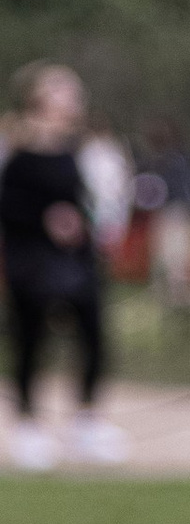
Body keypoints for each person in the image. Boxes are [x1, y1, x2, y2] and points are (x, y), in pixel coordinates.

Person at [4, 63, 128, 471]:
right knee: (31, 339)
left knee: (92, 335)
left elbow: (105, 203)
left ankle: (87, 421)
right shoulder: (13, 147)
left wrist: (85, 225)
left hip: (76, 260)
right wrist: (41, 219)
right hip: (29, 259)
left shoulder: (89, 149)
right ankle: (29, 426)